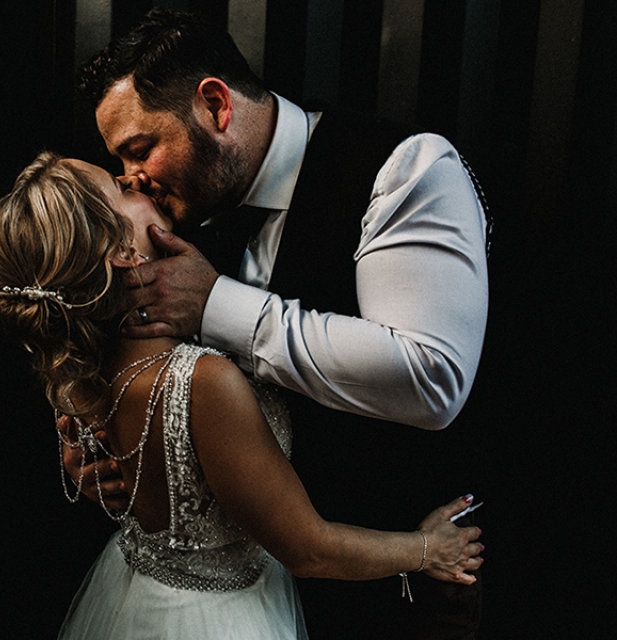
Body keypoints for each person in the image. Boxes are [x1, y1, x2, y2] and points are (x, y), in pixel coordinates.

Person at [71, 8, 491, 639]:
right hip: (246, 589)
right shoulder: (181, 202)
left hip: (390, 577)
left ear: (215, 105)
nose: (132, 178)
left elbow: (431, 378)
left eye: (140, 148)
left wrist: (217, 304)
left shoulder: (405, 170)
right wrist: (94, 435)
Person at [0, 151, 483, 640]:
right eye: (116, 187)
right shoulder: (201, 382)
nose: (133, 179)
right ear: (122, 253)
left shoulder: (71, 366)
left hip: (136, 596)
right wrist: (427, 550)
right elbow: (307, 551)